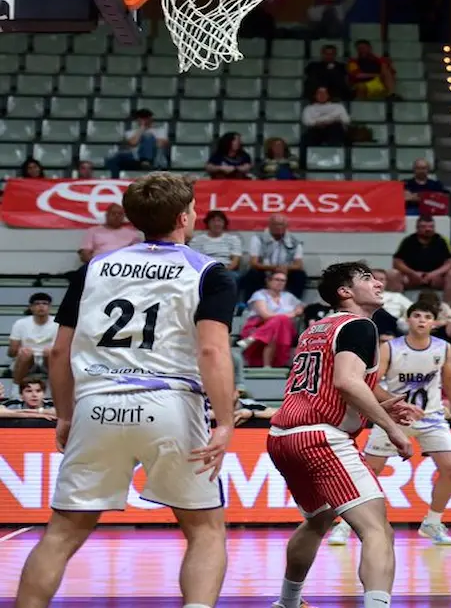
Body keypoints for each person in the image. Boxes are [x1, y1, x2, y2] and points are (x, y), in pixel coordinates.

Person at [15, 172, 238, 608]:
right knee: (205, 530)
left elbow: (59, 354)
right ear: (184, 216)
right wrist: (226, 420)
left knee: (61, 533)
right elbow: (213, 351)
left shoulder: (93, 268)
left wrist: (64, 415)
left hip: (98, 404)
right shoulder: (209, 272)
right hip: (171, 403)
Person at [265, 262, 424, 608]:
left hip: (282, 437)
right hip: (321, 437)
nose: (379, 283)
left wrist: (384, 401)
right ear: (345, 292)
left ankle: (288, 602)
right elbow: (347, 382)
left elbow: (339, 378)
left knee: (318, 519)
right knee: (377, 530)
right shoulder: (360, 326)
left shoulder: (317, 327)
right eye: (367, 279)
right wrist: (392, 429)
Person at [337, 302, 451, 547]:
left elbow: (449, 381)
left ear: (434, 322)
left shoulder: (443, 348)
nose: (421, 320)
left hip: (431, 416)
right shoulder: (389, 348)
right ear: (408, 320)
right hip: (394, 415)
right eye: (416, 315)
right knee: (370, 470)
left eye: (427, 316)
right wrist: (396, 405)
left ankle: (433, 522)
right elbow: (371, 383)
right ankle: (345, 523)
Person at [8, 292, 56, 387]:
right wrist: (20, 351)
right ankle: (16, 390)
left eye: (44, 303)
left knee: (50, 352)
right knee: (26, 354)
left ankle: (56, 389)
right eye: (37, 304)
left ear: (50, 307)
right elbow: (11, 353)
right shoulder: (20, 324)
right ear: (31, 307)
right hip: (28, 361)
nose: (41, 306)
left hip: (48, 360)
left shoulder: (58, 324)